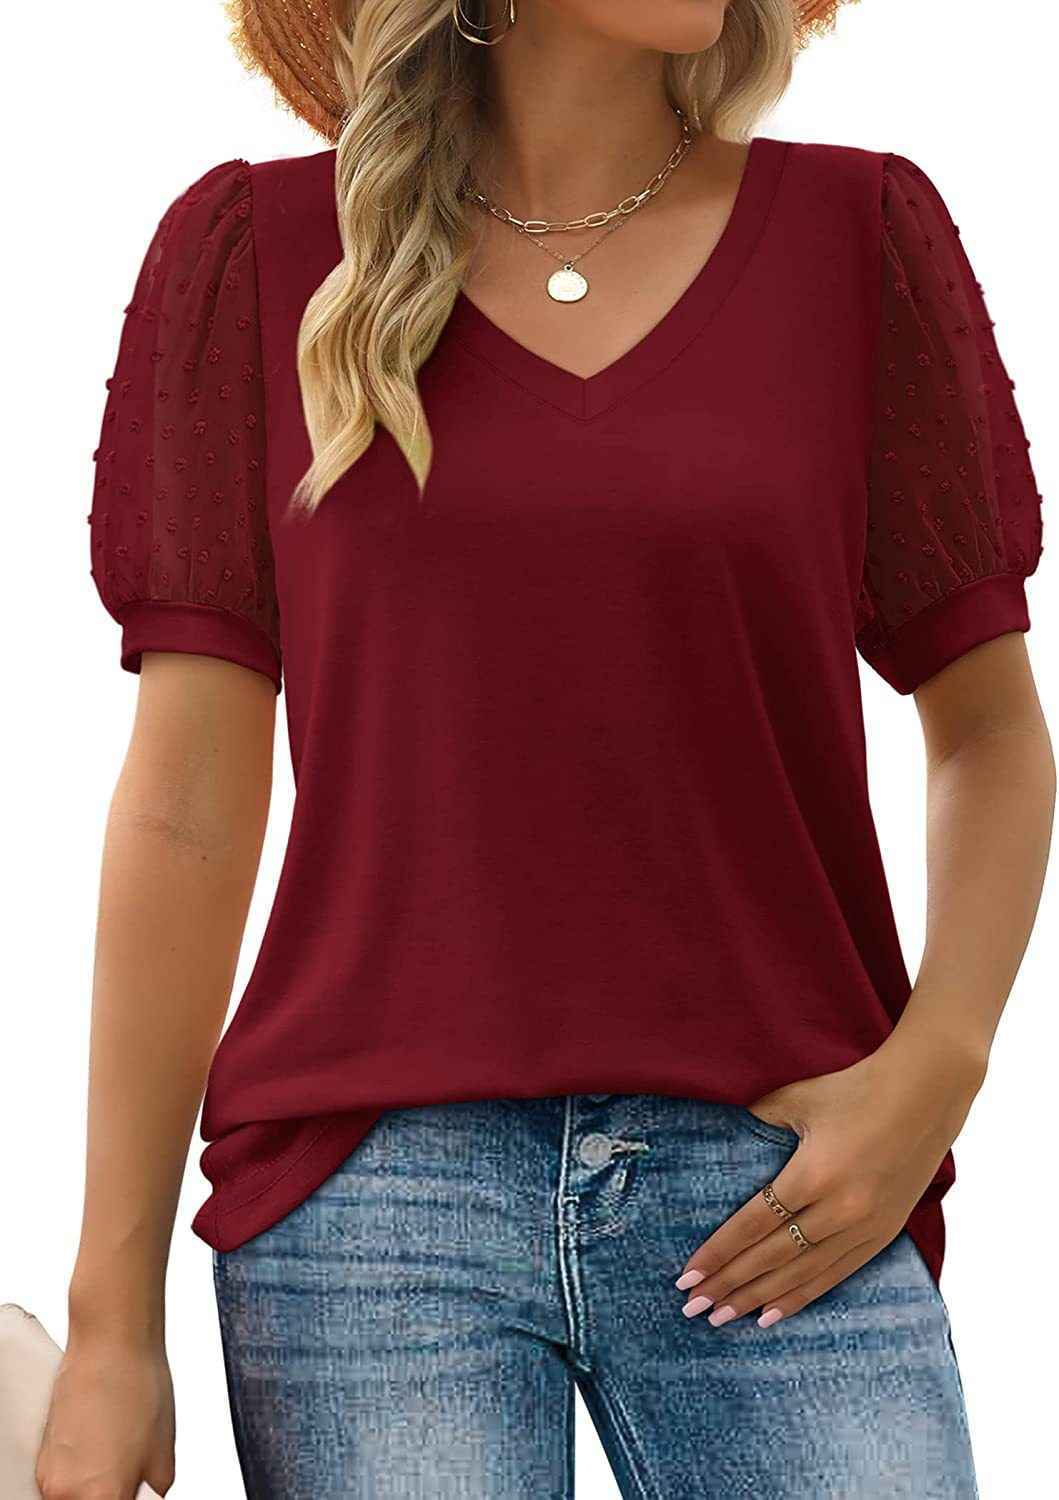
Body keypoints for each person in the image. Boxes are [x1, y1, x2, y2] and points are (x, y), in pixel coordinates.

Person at [37, 1, 1053, 1496]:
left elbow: (988, 728)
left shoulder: (860, 236)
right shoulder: (254, 257)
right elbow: (184, 808)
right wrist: (110, 1324)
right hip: (374, 1207)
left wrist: (938, 1071)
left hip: (784, 1181)